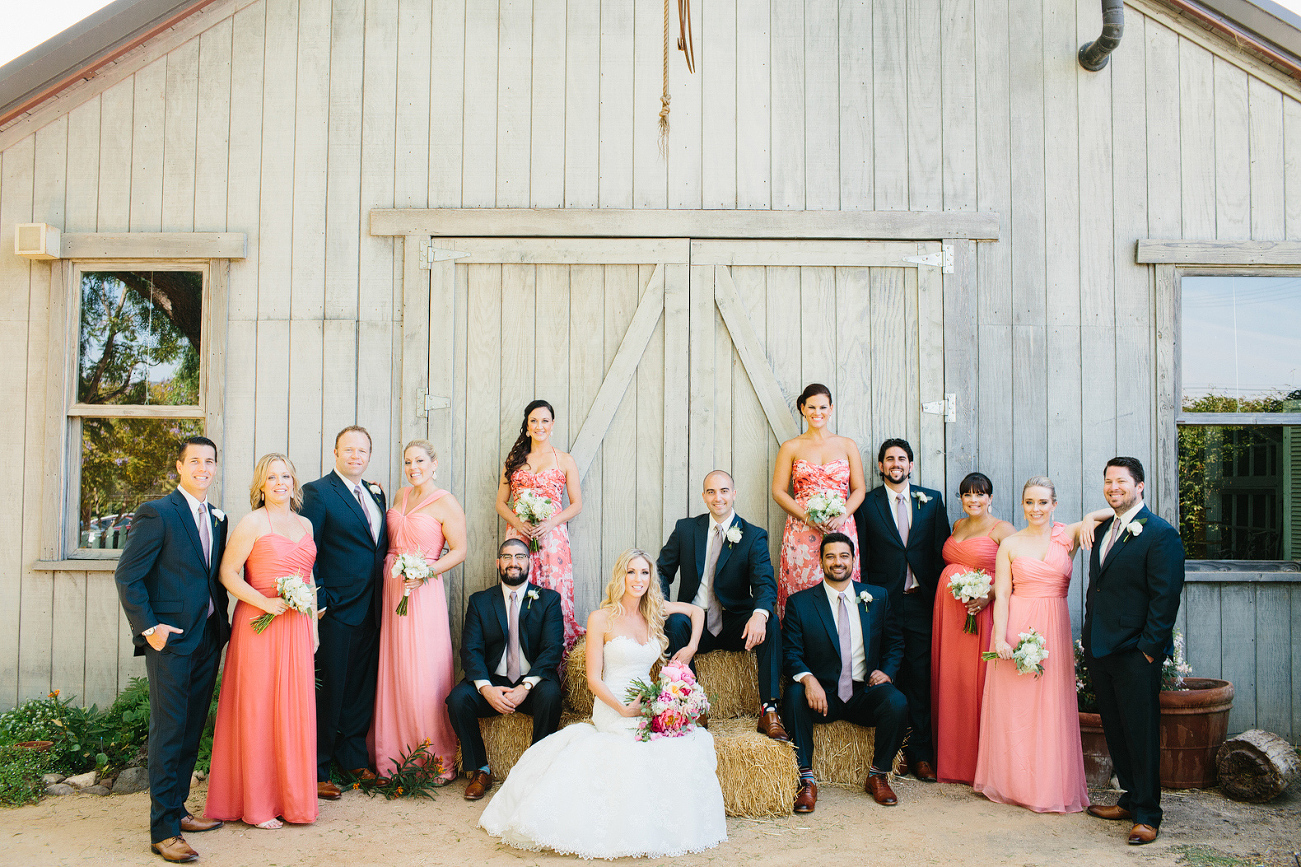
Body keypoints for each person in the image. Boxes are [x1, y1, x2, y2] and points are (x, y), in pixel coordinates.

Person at [479, 549, 727, 858]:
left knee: (684, 744)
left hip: (648, 700)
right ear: (620, 576)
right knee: (633, 749)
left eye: (645, 573)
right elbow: (594, 679)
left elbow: (697, 612)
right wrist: (623, 709)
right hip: (613, 704)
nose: (638, 579)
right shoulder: (602, 618)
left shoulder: (655, 610)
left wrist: (690, 647)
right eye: (631, 572)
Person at [114, 435, 231, 863]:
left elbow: (210, 577)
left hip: (208, 638)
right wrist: (149, 629)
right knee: (168, 731)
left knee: (190, 729)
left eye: (210, 461)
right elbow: (128, 577)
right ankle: (163, 830)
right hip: (170, 640)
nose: (203, 468)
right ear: (179, 467)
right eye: (195, 461)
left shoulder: (217, 518)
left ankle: (179, 810)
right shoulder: (158, 513)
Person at [973, 476, 1099, 814]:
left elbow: (1109, 514)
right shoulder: (1011, 544)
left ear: (1054, 505)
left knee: (1051, 705)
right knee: (1018, 706)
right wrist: (999, 637)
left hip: (1053, 627)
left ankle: (1047, 785)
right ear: (1022, 505)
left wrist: (1088, 519)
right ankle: (1014, 782)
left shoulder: (1067, 535)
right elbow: (1001, 595)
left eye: (1043, 502)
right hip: (1017, 624)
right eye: (1030, 502)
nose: (1036, 509)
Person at [206, 454, 319, 829]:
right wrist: (265, 601)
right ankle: (257, 804)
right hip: (260, 624)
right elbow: (227, 572)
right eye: (272, 478)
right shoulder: (252, 522)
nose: (280, 483)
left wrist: (314, 631)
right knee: (259, 710)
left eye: (285, 476)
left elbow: (309, 579)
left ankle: (292, 800)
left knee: (292, 711)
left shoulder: (305, 524)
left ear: (294, 481)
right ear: (261, 485)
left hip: (298, 628)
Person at [1083, 457, 1185, 846]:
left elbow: (1165, 598)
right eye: (1108, 481)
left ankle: (1147, 814)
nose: (1113, 487)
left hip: (1135, 654)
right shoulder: (1103, 528)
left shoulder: (1160, 534)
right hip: (1102, 649)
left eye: (1121, 481)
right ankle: (1130, 798)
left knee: (1140, 734)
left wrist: (1148, 651)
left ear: (1139, 486)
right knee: (1115, 729)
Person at [782, 533, 908, 813]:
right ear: (821, 561)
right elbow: (791, 653)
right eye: (830, 556)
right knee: (792, 695)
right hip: (823, 697)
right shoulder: (800, 604)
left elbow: (894, 642)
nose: (837, 562)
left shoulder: (877, 597)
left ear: (853, 560)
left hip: (864, 693)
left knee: (897, 702)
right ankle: (806, 779)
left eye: (843, 556)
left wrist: (886, 672)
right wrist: (808, 679)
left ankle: (878, 774)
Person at [658, 470, 786, 739]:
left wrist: (760, 615)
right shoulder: (685, 529)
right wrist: (663, 605)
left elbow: (764, 582)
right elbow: (661, 571)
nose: (718, 498)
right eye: (712, 492)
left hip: (733, 623)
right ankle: (693, 703)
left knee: (771, 622)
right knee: (675, 621)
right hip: (695, 623)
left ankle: (769, 709)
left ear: (734, 494)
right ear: (704, 496)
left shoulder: (753, 535)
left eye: (724, 491)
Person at [851, 438, 948, 782]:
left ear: (911, 464)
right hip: (884, 605)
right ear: (880, 466)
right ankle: (896, 754)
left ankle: (921, 754)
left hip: (920, 602)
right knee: (887, 677)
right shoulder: (867, 504)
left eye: (902, 458)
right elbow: (859, 554)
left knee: (920, 679)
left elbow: (941, 552)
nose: (896, 463)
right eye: (889, 458)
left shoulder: (932, 501)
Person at [300, 426, 389, 797]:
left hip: (373, 606)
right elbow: (309, 548)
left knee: (360, 687)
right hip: (335, 610)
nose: (356, 456)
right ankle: (317, 769)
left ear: (369, 455)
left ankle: (353, 759)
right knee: (329, 691)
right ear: (335, 452)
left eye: (363, 450)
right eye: (349, 449)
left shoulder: (375, 492)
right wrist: (320, 599)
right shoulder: (318, 492)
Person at [371, 440, 467, 782]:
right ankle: (393, 753)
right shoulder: (398, 495)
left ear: (434, 462)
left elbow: (459, 551)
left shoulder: (446, 502)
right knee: (395, 667)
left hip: (423, 590)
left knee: (422, 669)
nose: (414, 467)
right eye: (408, 461)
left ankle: (431, 756)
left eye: (420, 461)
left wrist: (426, 571)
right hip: (393, 586)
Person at [446, 539, 566, 800]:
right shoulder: (479, 601)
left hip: (532, 684)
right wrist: (486, 688)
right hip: (494, 682)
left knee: (551, 696)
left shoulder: (548, 600)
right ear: (498, 562)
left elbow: (552, 649)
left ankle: (535, 769)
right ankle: (480, 770)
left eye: (520, 557)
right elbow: (471, 650)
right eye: (507, 556)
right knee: (457, 699)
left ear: (530, 562)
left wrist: (525, 687)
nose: (514, 562)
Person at [930, 472, 1014, 785]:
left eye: (980, 495)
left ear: (990, 498)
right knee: (952, 681)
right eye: (967, 495)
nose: (974, 500)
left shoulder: (1002, 529)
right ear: (961, 499)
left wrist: (988, 594)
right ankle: (952, 762)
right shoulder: (958, 526)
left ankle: (980, 764)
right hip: (950, 614)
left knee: (976, 682)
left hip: (981, 613)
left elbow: (1016, 569)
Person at [772, 383, 866, 618]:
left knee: (839, 583)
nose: (817, 412)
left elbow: (859, 489)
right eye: (811, 407)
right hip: (802, 530)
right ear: (803, 409)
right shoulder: (791, 447)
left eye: (823, 407)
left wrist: (843, 514)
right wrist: (806, 517)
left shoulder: (847, 445)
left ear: (831, 409)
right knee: (803, 587)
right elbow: (779, 491)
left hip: (840, 526)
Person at [496, 399, 584, 649]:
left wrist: (551, 523)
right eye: (534, 421)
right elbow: (501, 503)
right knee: (518, 588)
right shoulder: (513, 460)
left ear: (552, 424)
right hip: (518, 533)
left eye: (545, 420)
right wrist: (517, 522)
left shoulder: (565, 460)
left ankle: (556, 656)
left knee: (552, 589)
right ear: (527, 425)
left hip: (552, 537)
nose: (539, 426)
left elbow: (577, 504)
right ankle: (518, 653)